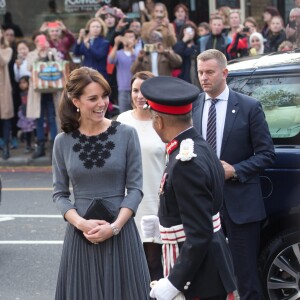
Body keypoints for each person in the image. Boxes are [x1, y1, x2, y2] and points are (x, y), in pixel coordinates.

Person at [52, 66, 151, 300]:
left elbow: (136, 188)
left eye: (104, 96)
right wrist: (81, 223)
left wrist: (114, 227)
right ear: (76, 101)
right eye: (92, 98)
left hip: (121, 234)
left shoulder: (126, 133)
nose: (101, 103)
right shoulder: (62, 141)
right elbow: (59, 194)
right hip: (81, 237)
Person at [140, 75, 236, 300]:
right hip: (209, 268)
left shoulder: (185, 162)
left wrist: (174, 282)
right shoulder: (197, 146)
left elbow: (199, 232)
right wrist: (164, 224)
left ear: (159, 121)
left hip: (200, 279)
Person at [192, 49, 276, 300]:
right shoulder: (193, 105)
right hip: (202, 205)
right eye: (200, 73)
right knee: (208, 276)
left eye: (209, 72)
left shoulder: (249, 107)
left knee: (246, 277)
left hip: (240, 207)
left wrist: (235, 170)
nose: (204, 78)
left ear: (224, 73)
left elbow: (267, 154)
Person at [117, 71, 165, 281]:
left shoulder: (164, 121)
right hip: (129, 203)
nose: (139, 96)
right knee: (132, 264)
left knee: (154, 263)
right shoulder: (122, 120)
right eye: (135, 90)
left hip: (157, 202)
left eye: (144, 91)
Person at [26, 33, 60, 159]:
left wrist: (49, 53)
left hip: (51, 91)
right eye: (38, 41)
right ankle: (40, 146)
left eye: (42, 40)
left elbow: (59, 66)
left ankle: (53, 147)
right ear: (35, 42)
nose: (40, 43)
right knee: (38, 119)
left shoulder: (53, 52)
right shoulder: (31, 54)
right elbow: (29, 67)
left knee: (52, 117)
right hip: (37, 92)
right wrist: (38, 54)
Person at [108, 30, 137, 113]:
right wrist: (116, 44)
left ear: (135, 40)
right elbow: (110, 60)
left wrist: (131, 49)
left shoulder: (138, 53)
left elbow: (137, 63)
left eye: (131, 37)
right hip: (123, 89)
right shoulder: (118, 53)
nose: (128, 39)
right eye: (126, 37)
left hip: (137, 89)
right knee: (124, 115)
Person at [0, 28, 14, 160]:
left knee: (5, 118)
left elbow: (3, 61)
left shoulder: (7, 49)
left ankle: (6, 147)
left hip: (3, 88)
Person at [16, 76, 35, 153]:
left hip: (32, 115)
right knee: (27, 132)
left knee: (35, 130)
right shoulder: (20, 93)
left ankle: (37, 145)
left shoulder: (32, 92)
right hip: (24, 116)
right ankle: (28, 145)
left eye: (24, 82)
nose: (21, 85)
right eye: (20, 83)